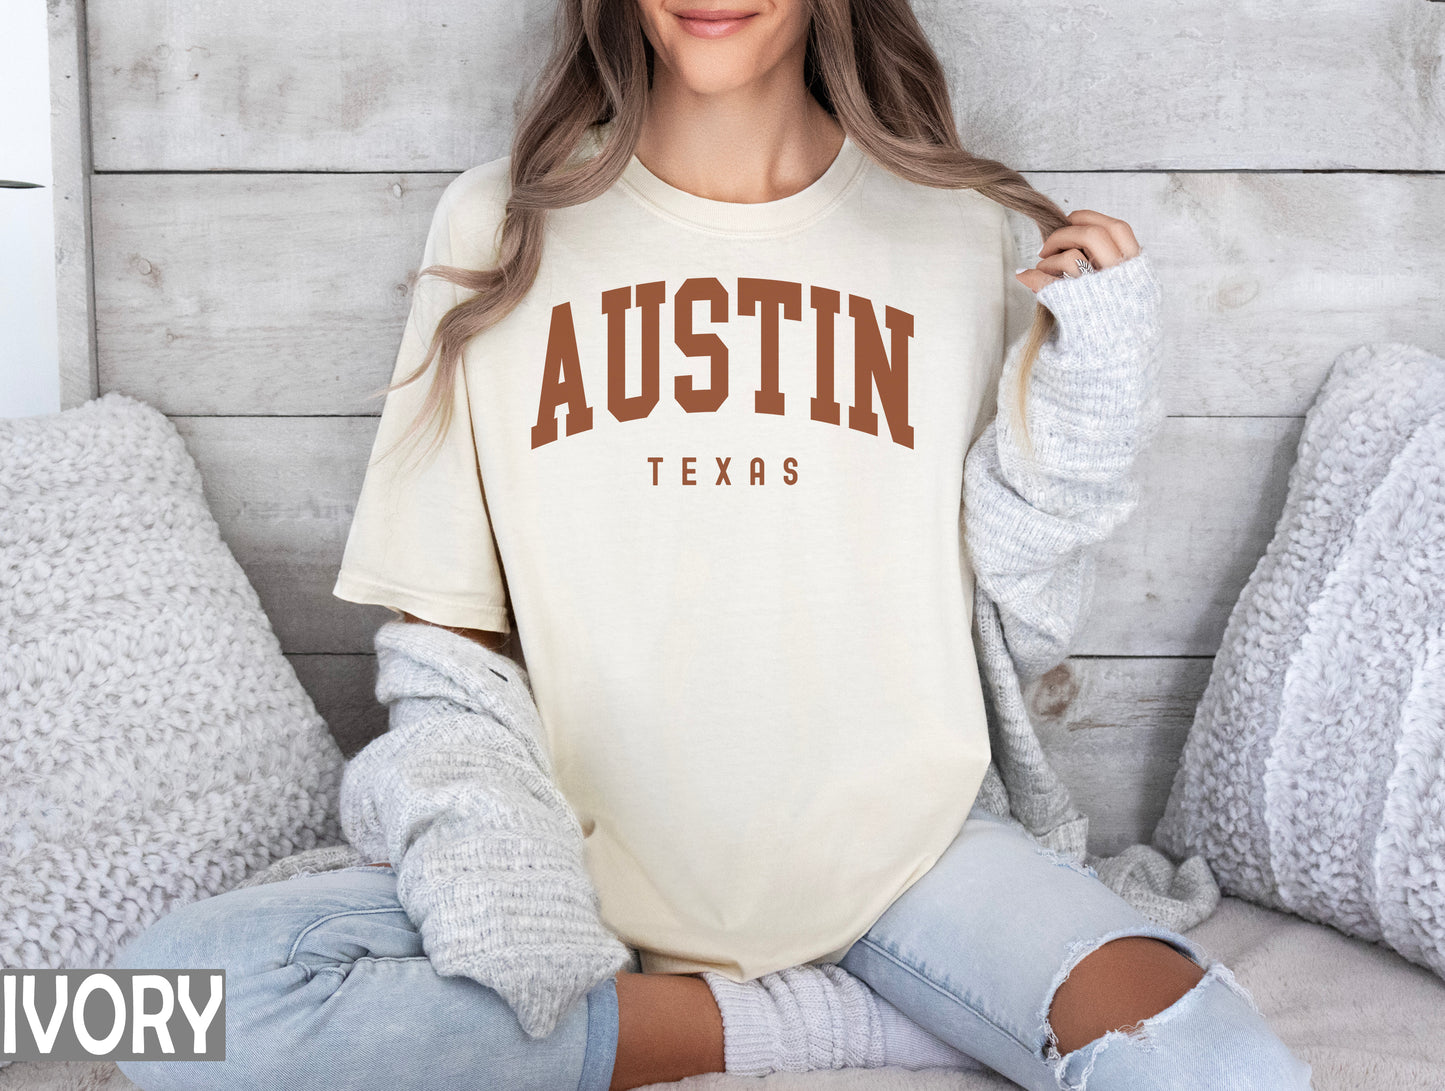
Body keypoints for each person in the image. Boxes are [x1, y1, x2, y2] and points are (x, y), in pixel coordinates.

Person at [113, 1, 1315, 1089]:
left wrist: (1094, 405)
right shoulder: (499, 223)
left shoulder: (967, 229)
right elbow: (444, 630)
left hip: (909, 862)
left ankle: (819, 997)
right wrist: (493, 871)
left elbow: (1020, 586)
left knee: (1221, 1066)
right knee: (133, 1014)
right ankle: (824, 1019)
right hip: (578, 865)